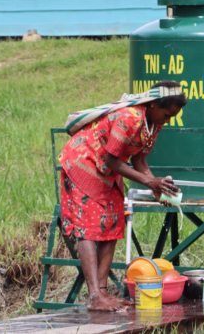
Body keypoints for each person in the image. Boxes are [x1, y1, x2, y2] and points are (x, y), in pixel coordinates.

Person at [57, 81, 186, 311]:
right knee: (88, 226)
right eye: (167, 114)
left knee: (113, 220)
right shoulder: (129, 117)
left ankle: (103, 292)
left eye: (171, 117)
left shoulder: (153, 123)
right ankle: (94, 295)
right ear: (154, 104)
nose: (168, 120)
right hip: (83, 162)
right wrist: (149, 181)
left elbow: (139, 160)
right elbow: (112, 160)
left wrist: (156, 186)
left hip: (106, 170)